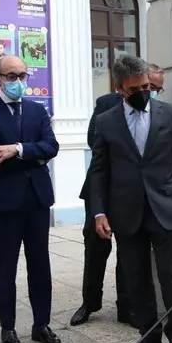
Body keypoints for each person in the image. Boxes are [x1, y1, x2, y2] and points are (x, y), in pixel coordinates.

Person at [88, 55, 172, 343]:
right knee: (136, 279)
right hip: (126, 213)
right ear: (119, 88)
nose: (144, 92)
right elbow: (99, 171)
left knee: (171, 276)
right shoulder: (107, 121)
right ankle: (149, 337)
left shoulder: (170, 114)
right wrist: (99, 212)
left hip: (165, 209)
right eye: (135, 88)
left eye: (147, 86)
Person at [0, 55, 61, 343]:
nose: (17, 82)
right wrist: (31, 154)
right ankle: (8, 328)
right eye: (11, 76)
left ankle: (42, 324)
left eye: (22, 75)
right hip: (5, 202)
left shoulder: (38, 110)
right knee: (6, 267)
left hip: (37, 199)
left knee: (40, 265)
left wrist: (18, 149)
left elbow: (52, 147)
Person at [70, 89, 130, 327]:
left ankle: (126, 306)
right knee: (95, 249)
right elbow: (93, 139)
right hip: (100, 190)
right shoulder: (106, 103)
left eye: (156, 88)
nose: (152, 92)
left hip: (130, 193)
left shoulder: (156, 111)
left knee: (128, 251)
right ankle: (90, 302)